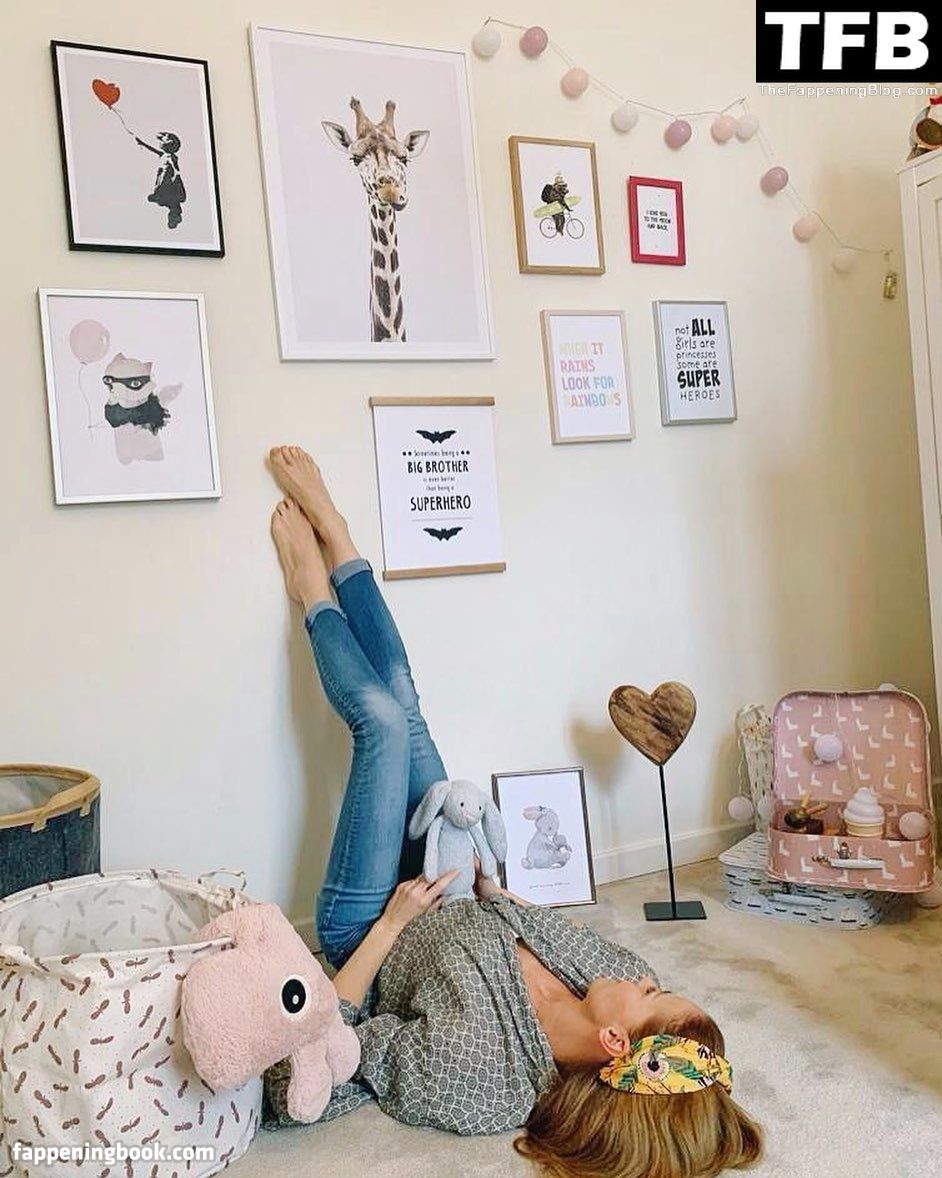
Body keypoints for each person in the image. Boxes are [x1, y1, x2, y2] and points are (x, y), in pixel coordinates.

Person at [266, 446, 763, 1178]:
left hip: (372, 919)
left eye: (652, 996)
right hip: (450, 873)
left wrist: (394, 923)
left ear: (617, 1045)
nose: (646, 978)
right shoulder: (616, 971)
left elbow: (316, 1057)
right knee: (404, 699)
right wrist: (493, 889)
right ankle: (340, 540)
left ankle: (313, 593)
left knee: (384, 725)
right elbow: (548, 927)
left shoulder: (477, 1078)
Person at [135, 130, 186, 229]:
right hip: (164, 175)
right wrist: (142, 143)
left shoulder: (171, 157)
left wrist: (176, 174)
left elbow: (175, 167)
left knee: (165, 190)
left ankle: (172, 210)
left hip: (168, 175)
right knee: (167, 195)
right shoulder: (164, 155)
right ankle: (173, 212)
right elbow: (153, 150)